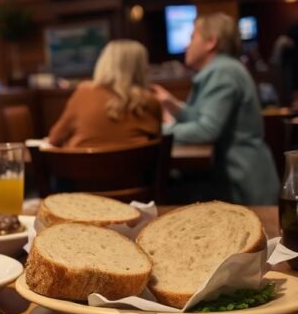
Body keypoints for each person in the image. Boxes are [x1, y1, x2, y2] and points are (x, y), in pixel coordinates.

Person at [154, 13, 278, 205]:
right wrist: (172, 103)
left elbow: (206, 130)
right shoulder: (225, 68)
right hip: (243, 175)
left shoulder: (223, 71)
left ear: (210, 42)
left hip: (241, 183)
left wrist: (158, 132)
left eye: (192, 37)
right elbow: (203, 117)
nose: (187, 45)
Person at [47, 40, 162, 148]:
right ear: (141, 68)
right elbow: (158, 147)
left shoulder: (84, 92)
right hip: (138, 169)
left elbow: (54, 139)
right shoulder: (150, 101)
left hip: (84, 168)